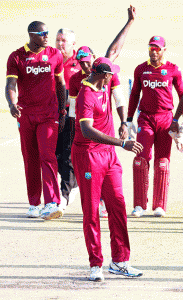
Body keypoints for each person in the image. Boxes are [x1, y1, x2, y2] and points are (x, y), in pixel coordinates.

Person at [71, 57, 144, 281]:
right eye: (112, 74)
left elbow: (114, 50)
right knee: (92, 211)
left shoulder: (104, 85)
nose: (114, 77)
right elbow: (87, 130)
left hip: (108, 156)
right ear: (105, 75)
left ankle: (120, 261)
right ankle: (95, 264)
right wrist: (121, 143)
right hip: (88, 155)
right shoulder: (86, 94)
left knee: (118, 205)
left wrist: (124, 122)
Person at [68, 5, 136, 216]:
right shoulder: (78, 83)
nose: (85, 67)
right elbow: (72, 113)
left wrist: (124, 123)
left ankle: (105, 200)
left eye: (88, 63)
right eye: (82, 64)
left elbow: (113, 52)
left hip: (105, 141)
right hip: (87, 143)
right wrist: (72, 137)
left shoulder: (105, 73)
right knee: (91, 191)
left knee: (111, 177)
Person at [5, 21, 67, 220]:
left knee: (47, 156)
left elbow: (60, 84)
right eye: (43, 33)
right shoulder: (16, 57)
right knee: (30, 158)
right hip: (26, 115)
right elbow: (10, 84)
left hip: (49, 115)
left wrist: (63, 111)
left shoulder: (55, 55)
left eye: (47, 33)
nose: (47, 37)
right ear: (32, 35)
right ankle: (34, 204)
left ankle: (52, 203)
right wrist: (12, 103)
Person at [127, 36, 183, 217]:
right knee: (140, 160)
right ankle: (139, 205)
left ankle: (159, 205)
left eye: (157, 49)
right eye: (151, 48)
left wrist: (178, 121)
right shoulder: (141, 69)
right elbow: (135, 94)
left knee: (162, 162)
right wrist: (129, 120)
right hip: (145, 118)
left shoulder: (173, 70)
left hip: (165, 119)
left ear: (164, 50)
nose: (154, 52)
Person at [55, 28, 81, 209]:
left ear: (73, 44)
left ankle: (64, 195)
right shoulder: (51, 60)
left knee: (67, 155)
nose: (60, 44)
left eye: (64, 40)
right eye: (58, 40)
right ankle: (75, 184)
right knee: (55, 155)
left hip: (73, 116)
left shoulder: (80, 63)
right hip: (53, 114)